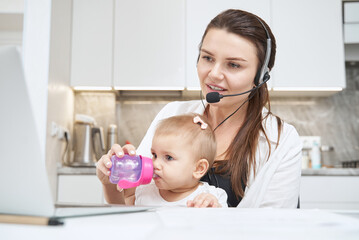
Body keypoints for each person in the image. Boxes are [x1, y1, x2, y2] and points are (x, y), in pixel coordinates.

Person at [96, 9, 302, 208]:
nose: (214, 74)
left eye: (233, 65)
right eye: (208, 58)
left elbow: (275, 226)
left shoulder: (282, 140)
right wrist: (110, 181)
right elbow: (131, 205)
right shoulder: (172, 115)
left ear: (261, 76)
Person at [134, 114, 227, 207]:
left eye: (169, 157)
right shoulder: (145, 191)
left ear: (199, 168)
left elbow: (226, 220)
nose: (155, 164)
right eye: (154, 155)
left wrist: (214, 210)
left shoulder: (210, 198)